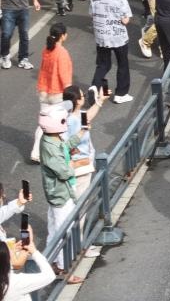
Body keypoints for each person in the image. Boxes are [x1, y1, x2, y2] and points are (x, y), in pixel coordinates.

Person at [38, 101, 83, 278]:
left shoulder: (52, 139)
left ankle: (49, 262)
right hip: (60, 194)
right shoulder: (50, 145)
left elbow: (65, 147)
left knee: (54, 229)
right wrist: (73, 163)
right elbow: (63, 172)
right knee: (64, 230)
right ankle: (64, 269)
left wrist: (81, 133)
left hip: (58, 193)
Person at [31, 23, 73, 163]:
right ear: (63, 36)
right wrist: (71, 94)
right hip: (58, 94)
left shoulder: (47, 49)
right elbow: (64, 75)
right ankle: (61, 152)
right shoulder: (62, 53)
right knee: (61, 123)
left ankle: (36, 151)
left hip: (44, 91)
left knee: (43, 123)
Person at [89, 0, 133, 102]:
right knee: (122, 64)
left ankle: (95, 86)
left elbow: (91, 13)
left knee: (103, 64)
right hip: (118, 36)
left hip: (101, 36)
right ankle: (121, 94)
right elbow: (126, 20)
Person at [1, 224, 58, 298]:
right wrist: (34, 251)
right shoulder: (15, 282)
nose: (12, 249)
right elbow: (50, 276)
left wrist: (25, 242)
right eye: (10, 250)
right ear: (8, 258)